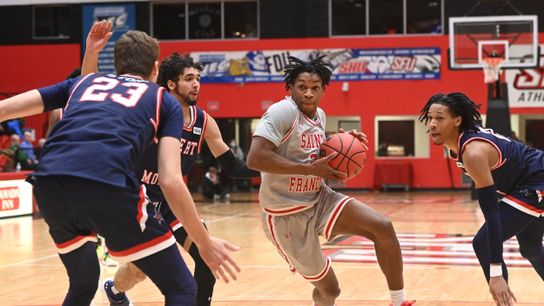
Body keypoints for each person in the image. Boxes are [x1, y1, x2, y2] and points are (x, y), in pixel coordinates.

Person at [0, 21, 240, 306]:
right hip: (107, 184)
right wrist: (204, 241)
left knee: (83, 283)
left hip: (49, 183)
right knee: (182, 289)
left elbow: (5, 109)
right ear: (155, 68)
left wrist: (90, 52)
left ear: (116, 64)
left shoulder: (82, 82)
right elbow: (171, 180)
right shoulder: (163, 99)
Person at [56, 33, 256, 305]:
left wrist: (269, 169)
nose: (196, 84)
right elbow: (88, 90)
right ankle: (115, 290)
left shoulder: (204, 122)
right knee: (138, 272)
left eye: (198, 78)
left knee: (205, 255)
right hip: (134, 198)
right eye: (189, 79)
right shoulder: (152, 106)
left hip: (169, 201)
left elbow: (232, 167)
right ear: (171, 82)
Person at [246, 56, 415, 306]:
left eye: (315, 88)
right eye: (302, 87)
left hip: (319, 198)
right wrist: (308, 170)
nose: (308, 93)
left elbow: (312, 149)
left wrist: (343, 141)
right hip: (285, 213)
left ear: (324, 89)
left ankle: (398, 301)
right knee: (330, 290)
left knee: (383, 227)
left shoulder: (319, 115)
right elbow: (255, 158)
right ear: (290, 88)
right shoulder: (282, 112)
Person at [419, 93, 544, 306]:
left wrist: (496, 273)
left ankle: (503, 300)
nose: (432, 124)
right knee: (530, 247)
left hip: (535, 181)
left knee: (483, 243)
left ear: (457, 120)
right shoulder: (457, 144)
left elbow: (492, 213)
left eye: (439, 118)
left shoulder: (472, 153)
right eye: (430, 118)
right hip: (525, 182)